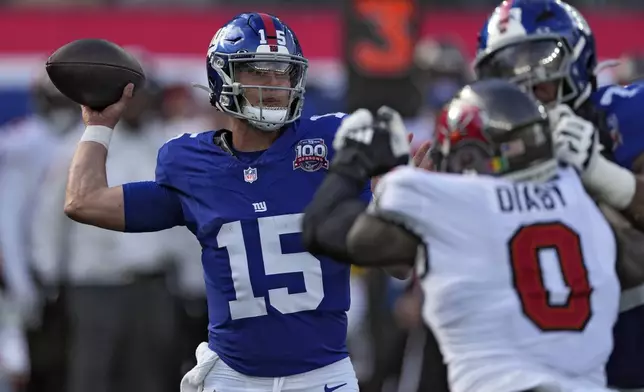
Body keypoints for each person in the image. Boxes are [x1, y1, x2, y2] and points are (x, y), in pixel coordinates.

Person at [63, 12, 371, 392]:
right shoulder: (193, 165)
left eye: (283, 72)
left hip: (323, 374)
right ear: (222, 76)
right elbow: (83, 201)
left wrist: (402, 194)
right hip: (233, 377)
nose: (275, 85)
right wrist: (98, 124)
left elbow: (400, 260)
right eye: (258, 71)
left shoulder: (332, 142)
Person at [302, 79, 621, 392]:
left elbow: (323, 229)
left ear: (466, 154)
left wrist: (354, 166)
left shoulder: (450, 201)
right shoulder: (579, 195)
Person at [473, 1, 644, 388]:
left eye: (539, 62)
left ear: (577, 58)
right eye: (505, 73)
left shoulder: (625, 115)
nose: (524, 87)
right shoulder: (479, 150)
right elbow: (405, 266)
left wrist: (601, 174)